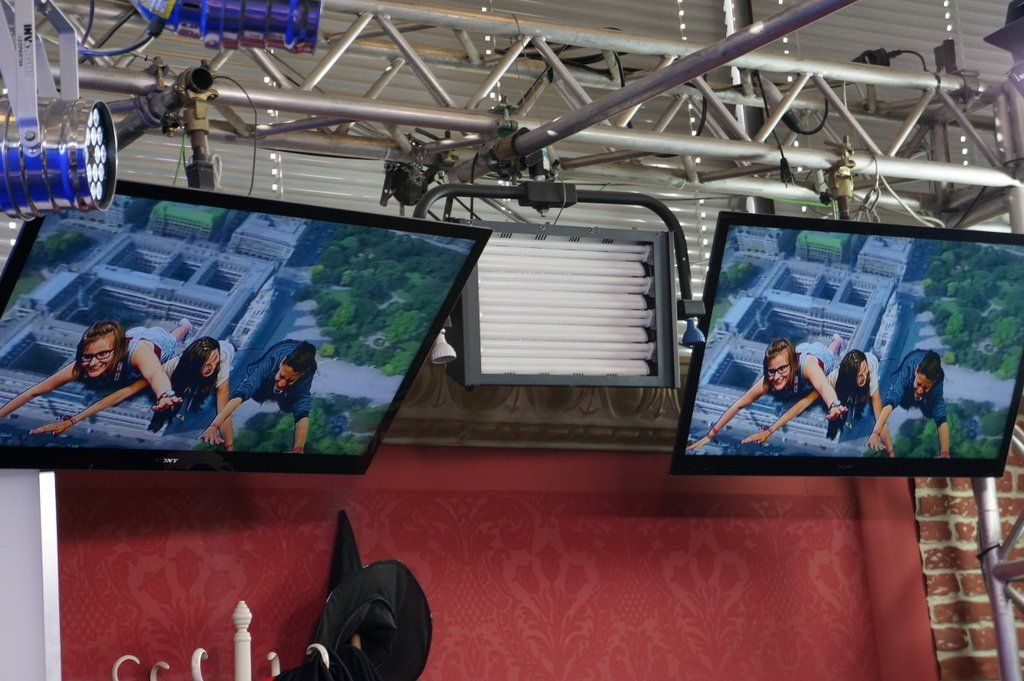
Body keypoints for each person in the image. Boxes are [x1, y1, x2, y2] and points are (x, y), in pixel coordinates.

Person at [29, 336, 236, 449]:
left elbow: (224, 409)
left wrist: (229, 446)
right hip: (179, 372)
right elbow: (124, 392)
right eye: (207, 363)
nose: (211, 366)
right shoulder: (173, 366)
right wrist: (74, 420)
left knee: (196, 394)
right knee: (173, 393)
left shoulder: (222, 367)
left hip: (206, 368)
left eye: (214, 362)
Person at [0, 319, 190, 422]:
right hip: (130, 336)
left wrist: (165, 395)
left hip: (156, 342)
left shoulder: (138, 353)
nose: (94, 363)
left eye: (102, 355)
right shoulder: (82, 365)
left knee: (175, 336)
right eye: (88, 356)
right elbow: (34, 391)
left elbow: (155, 375)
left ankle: (185, 325)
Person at [687, 337, 847, 452]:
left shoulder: (809, 367)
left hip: (818, 356)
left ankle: (837, 340)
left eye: (782, 369)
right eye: (772, 371)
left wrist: (834, 404)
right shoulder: (768, 379)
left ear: (792, 365)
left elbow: (823, 386)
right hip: (799, 352)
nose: (776, 377)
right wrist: (710, 435)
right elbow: (739, 404)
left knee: (831, 350)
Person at [740, 348, 895, 455]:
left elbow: (880, 415)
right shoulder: (833, 378)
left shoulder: (870, 378)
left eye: (865, 373)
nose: (863, 378)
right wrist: (771, 430)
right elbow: (803, 404)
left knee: (860, 404)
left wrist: (889, 450)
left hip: (858, 389)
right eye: (859, 375)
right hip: (840, 387)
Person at [199, 340, 317, 453]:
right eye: (282, 376)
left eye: (290, 380)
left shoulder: (306, 375)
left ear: (301, 375)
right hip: (279, 352)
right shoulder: (271, 360)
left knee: (289, 405)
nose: (282, 383)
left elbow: (302, 412)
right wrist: (214, 425)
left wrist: (298, 448)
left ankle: (286, 390)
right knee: (257, 394)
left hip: (297, 371)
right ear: (281, 363)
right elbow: (242, 393)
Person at [867, 348, 949, 458]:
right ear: (916, 371)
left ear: (933, 382)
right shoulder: (908, 370)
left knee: (931, 411)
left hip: (927, 388)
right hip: (909, 372)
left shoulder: (937, 381)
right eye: (919, 384)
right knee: (902, 401)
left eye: (925, 387)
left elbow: (941, 418)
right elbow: (890, 403)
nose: (920, 390)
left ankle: (923, 393)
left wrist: (944, 452)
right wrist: (875, 433)